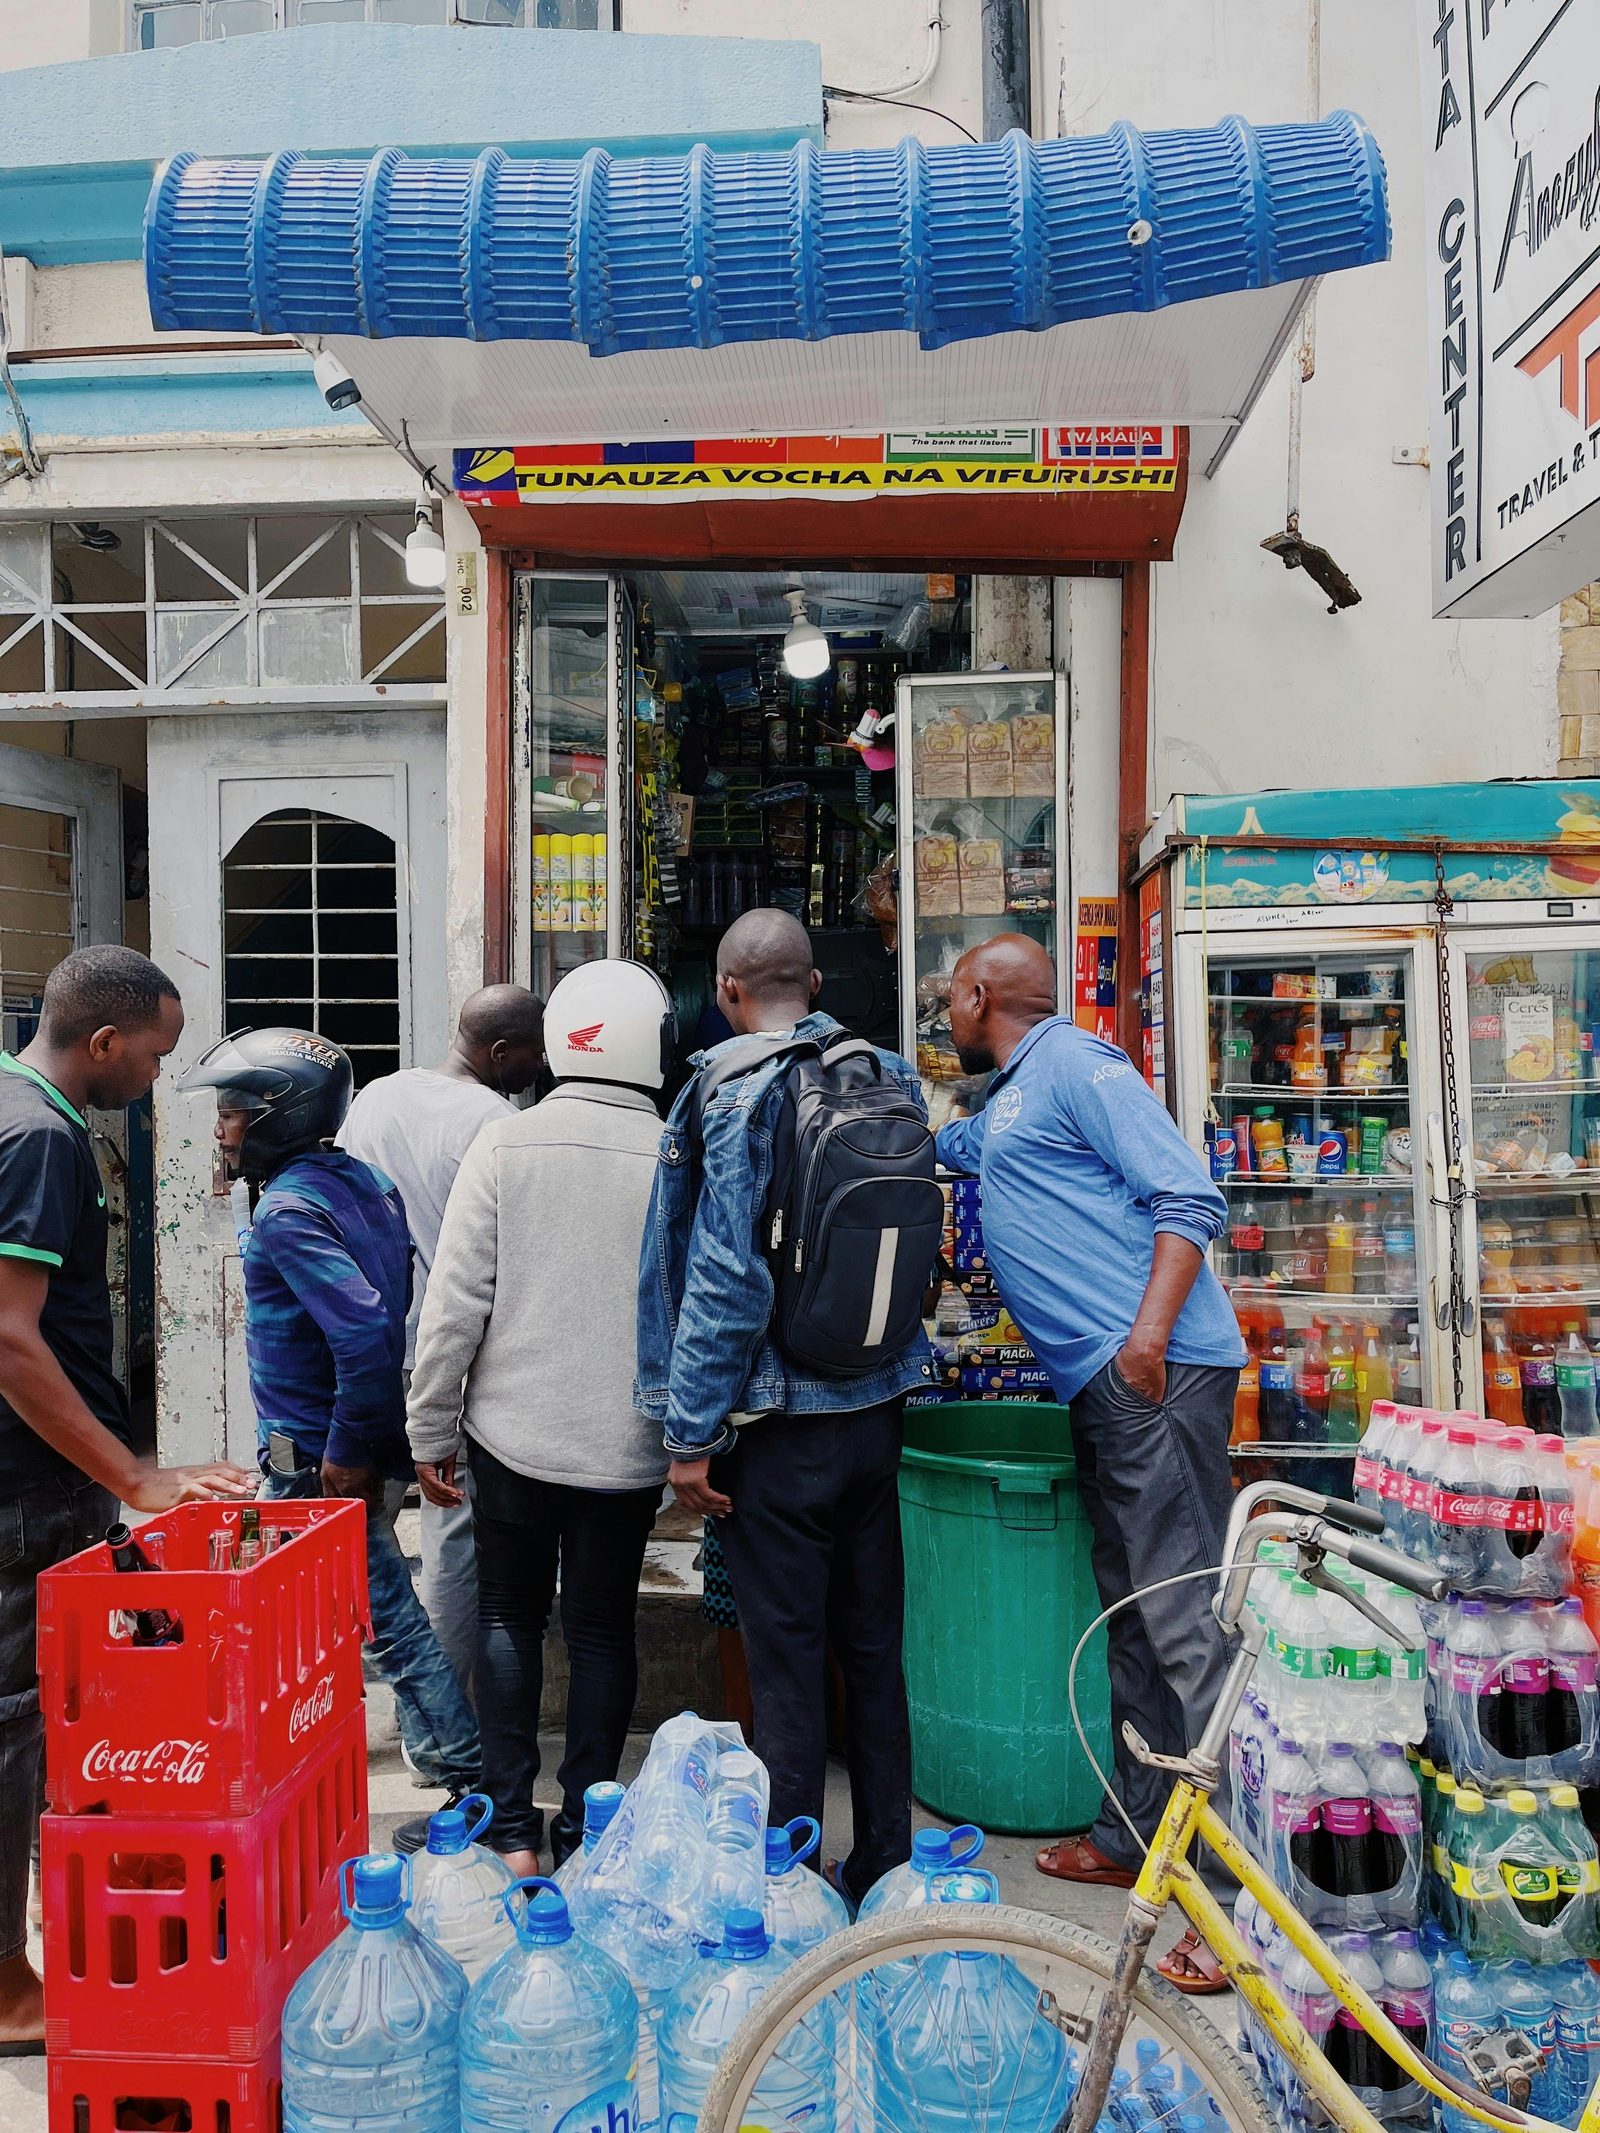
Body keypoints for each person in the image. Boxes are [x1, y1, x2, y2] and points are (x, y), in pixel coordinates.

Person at [938, 933, 1245, 1994]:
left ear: (981, 996)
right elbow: (964, 1151)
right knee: (1130, 1616)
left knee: (1181, 1625)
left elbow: (1187, 1198)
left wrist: (1146, 1341)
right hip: (1108, 1387)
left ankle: (1240, 1900)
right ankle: (1132, 1836)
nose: (942, 1008)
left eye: (948, 993)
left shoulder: (1079, 1064)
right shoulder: (1014, 1096)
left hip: (1154, 1376)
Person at [636, 909, 934, 1910]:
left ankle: (792, 1875)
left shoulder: (727, 1088)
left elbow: (724, 1275)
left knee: (786, 1657)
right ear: (811, 982)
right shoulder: (888, 1072)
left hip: (777, 1423)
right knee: (873, 1647)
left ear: (726, 992)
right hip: (878, 1403)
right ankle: (886, 1860)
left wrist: (688, 1433)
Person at [0, 947, 254, 2054]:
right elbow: (10, 1340)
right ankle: (7, 1985)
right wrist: (133, 1476)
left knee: (43, 1728)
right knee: (16, 1731)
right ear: (102, 1045)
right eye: (152, 1055)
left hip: (33, 1485)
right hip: (23, 1494)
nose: (159, 1076)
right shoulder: (42, 1138)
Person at [179, 1026, 480, 1853]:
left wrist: (343, 1451)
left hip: (317, 1460)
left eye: (235, 1113)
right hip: (347, 1447)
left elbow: (363, 1330)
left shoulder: (287, 1211)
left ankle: (473, 1787)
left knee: (388, 1621)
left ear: (279, 1113)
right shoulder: (363, 1181)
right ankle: (366, 1763)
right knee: (335, 1625)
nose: (222, 1129)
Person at [408, 961, 671, 1874]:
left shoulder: (505, 1143)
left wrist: (428, 1429)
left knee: (510, 1620)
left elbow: (453, 1307)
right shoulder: (678, 1151)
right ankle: (593, 1830)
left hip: (509, 1437)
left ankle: (514, 1832)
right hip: (628, 1448)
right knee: (603, 1627)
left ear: (563, 1039)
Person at [337, 984, 546, 1699]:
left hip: (365, 1349)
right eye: (531, 1051)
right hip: (445, 1359)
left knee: (354, 1535)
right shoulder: (496, 1121)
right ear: (497, 1051)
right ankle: (441, 1726)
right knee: (453, 1543)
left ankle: (333, 1704)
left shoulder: (376, 1098)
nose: (540, 1063)